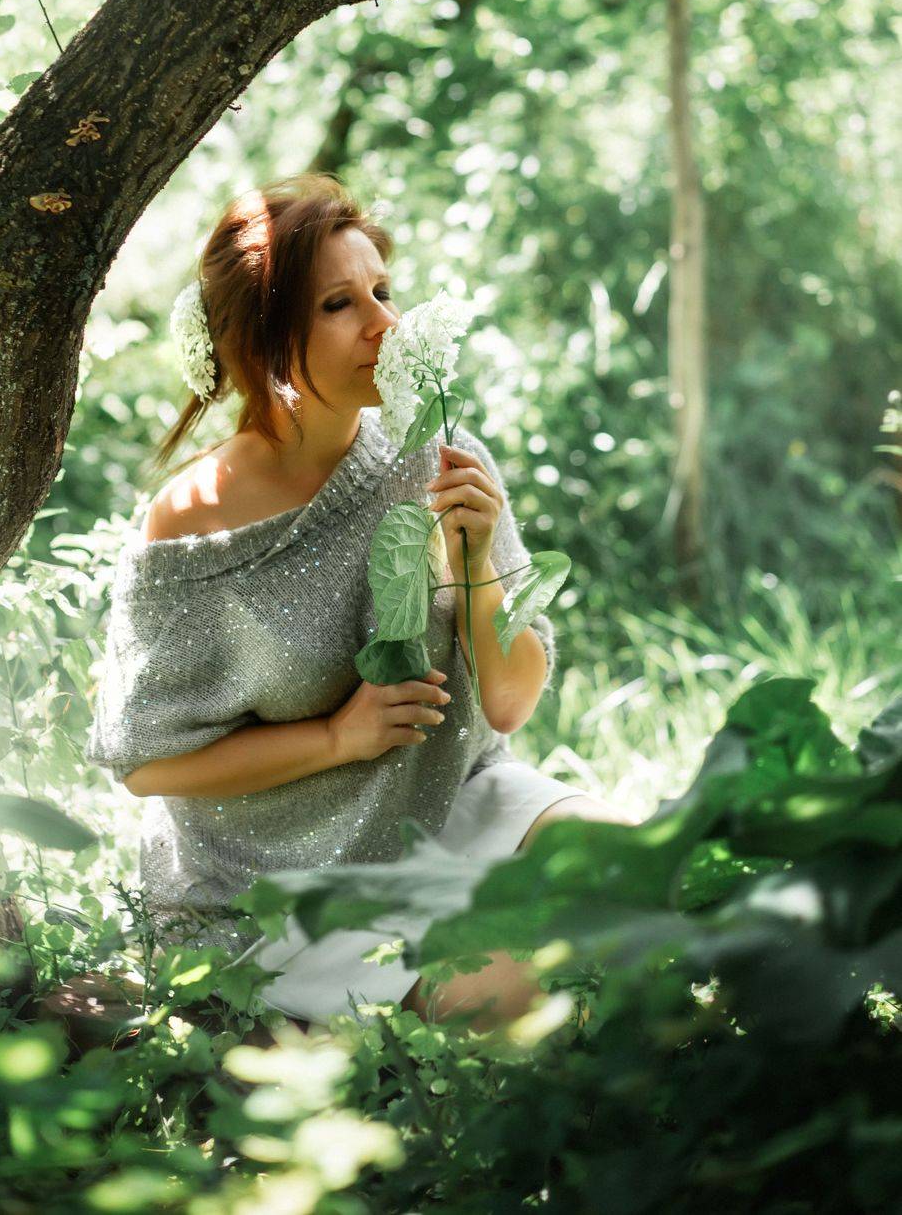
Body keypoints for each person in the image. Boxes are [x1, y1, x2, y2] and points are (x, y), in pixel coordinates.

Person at [86, 172, 627, 1035]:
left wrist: (477, 561)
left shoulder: (438, 453)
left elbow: (510, 704)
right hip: (280, 881)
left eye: (382, 291)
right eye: (339, 304)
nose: (384, 323)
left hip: (449, 804)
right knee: (525, 999)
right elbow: (146, 764)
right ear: (261, 338)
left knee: (643, 876)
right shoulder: (190, 523)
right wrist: (339, 737)